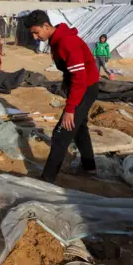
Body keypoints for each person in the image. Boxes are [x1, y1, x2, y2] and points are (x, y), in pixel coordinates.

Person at [24, 10, 99, 183]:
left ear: (46, 26)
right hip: (82, 87)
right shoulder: (56, 40)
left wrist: (70, 108)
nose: (35, 37)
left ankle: (47, 178)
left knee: (61, 134)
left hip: (85, 88)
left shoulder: (67, 41)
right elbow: (70, 72)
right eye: (32, 34)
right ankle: (89, 168)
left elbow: (80, 78)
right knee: (79, 129)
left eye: (36, 32)